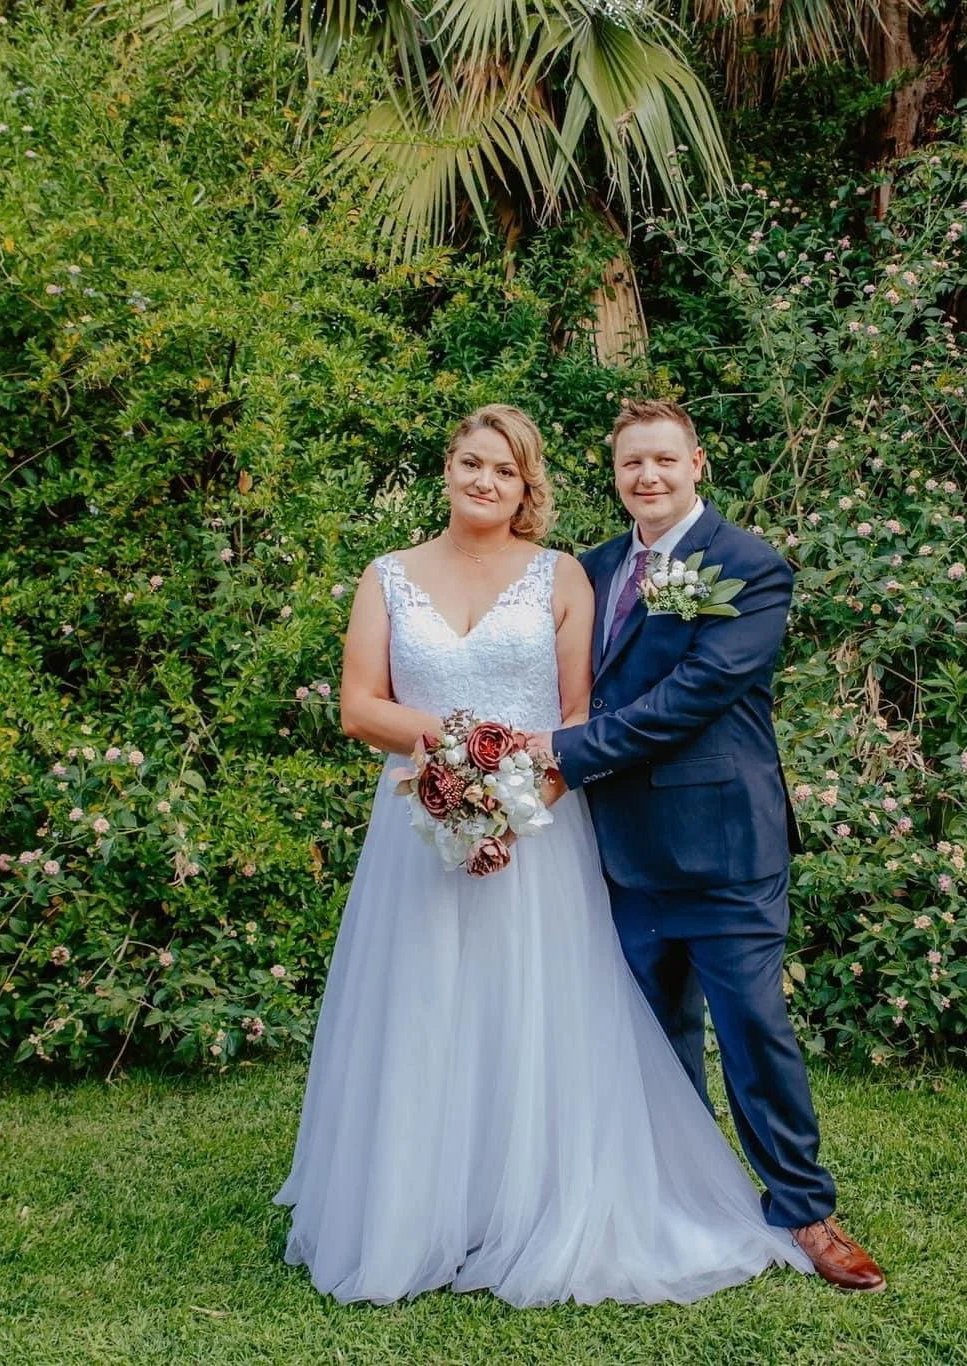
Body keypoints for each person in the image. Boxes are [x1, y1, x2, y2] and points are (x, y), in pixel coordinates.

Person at [274, 404, 808, 1306]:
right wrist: (466, 757)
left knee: (679, 1022)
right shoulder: (426, 575)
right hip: (432, 822)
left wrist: (514, 782)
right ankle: (435, 1206)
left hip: (586, 827)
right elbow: (363, 708)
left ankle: (800, 1206)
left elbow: (617, 707)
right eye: (471, 463)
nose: (485, 481)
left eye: (506, 471)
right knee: (432, 1009)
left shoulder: (682, 569)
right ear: (447, 468)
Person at [532, 398, 886, 1292]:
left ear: (698, 464)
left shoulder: (749, 565)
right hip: (619, 852)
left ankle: (804, 1210)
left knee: (755, 1029)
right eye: (628, 465)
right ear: (613, 477)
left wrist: (564, 756)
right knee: (651, 1038)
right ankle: (672, 1201)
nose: (646, 477)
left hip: (727, 850)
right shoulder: (591, 568)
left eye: (662, 460)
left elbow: (699, 691)